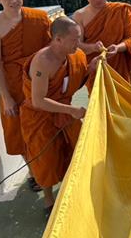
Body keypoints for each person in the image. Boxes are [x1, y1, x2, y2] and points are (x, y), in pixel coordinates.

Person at [0, 0, 51, 192]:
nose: (13, 1)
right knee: (20, 132)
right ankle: (34, 172)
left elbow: (51, 50)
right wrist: (6, 97)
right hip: (12, 86)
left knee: (45, 126)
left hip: (39, 80)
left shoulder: (39, 18)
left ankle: (51, 166)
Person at [20, 17, 89, 216]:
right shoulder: (43, 61)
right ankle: (49, 201)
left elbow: (75, 79)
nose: (79, 42)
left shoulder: (74, 55)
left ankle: (72, 190)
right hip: (40, 117)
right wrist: (71, 111)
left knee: (76, 148)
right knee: (46, 161)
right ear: (58, 39)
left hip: (64, 111)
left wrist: (92, 67)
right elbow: (38, 101)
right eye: (74, 39)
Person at [73, 0, 131, 92]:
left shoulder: (121, 10)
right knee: (100, 106)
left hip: (119, 68)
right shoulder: (79, 16)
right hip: (96, 69)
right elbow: (77, 45)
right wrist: (93, 47)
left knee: (123, 105)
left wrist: (117, 47)